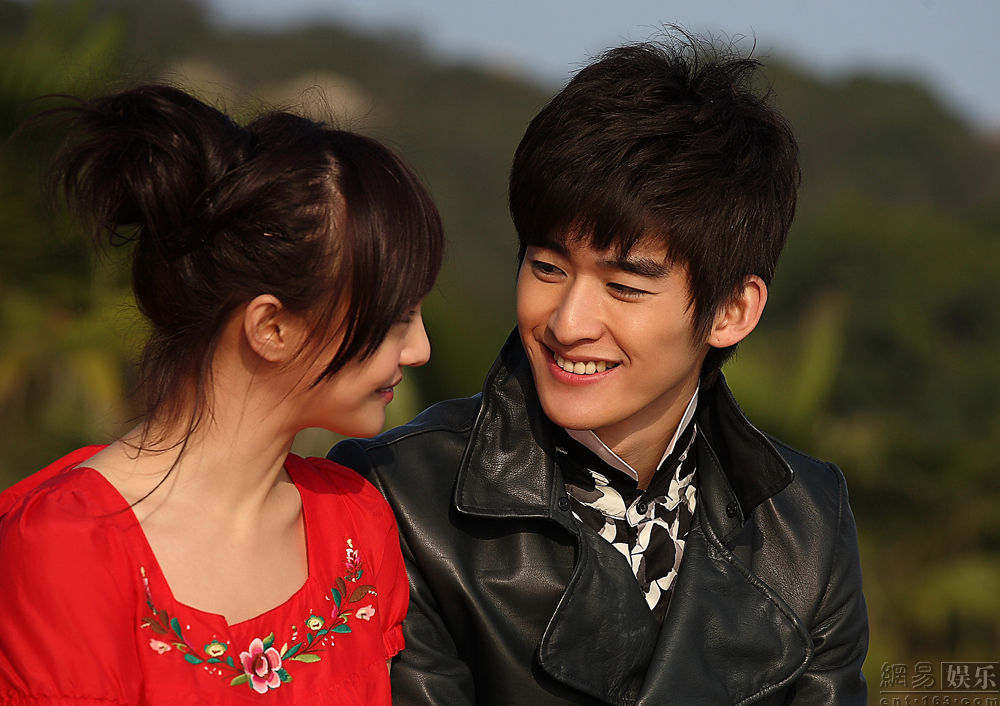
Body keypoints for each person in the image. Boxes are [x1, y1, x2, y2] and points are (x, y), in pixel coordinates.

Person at [329, 32, 868, 705]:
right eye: (547, 267)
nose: (568, 322)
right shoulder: (398, 496)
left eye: (624, 286)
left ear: (732, 311)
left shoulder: (807, 522)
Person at [0, 84, 443, 704]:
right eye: (395, 317)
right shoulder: (66, 545)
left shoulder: (356, 523)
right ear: (272, 328)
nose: (419, 348)